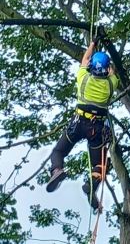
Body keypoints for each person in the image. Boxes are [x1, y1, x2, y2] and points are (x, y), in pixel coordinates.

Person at [46, 37, 119, 211]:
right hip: (97, 128)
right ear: (107, 69)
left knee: (59, 151)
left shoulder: (83, 77)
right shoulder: (111, 84)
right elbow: (112, 72)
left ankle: (57, 170)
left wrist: (93, 43)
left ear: (92, 67)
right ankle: (92, 184)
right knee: (100, 165)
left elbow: (85, 60)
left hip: (78, 123)